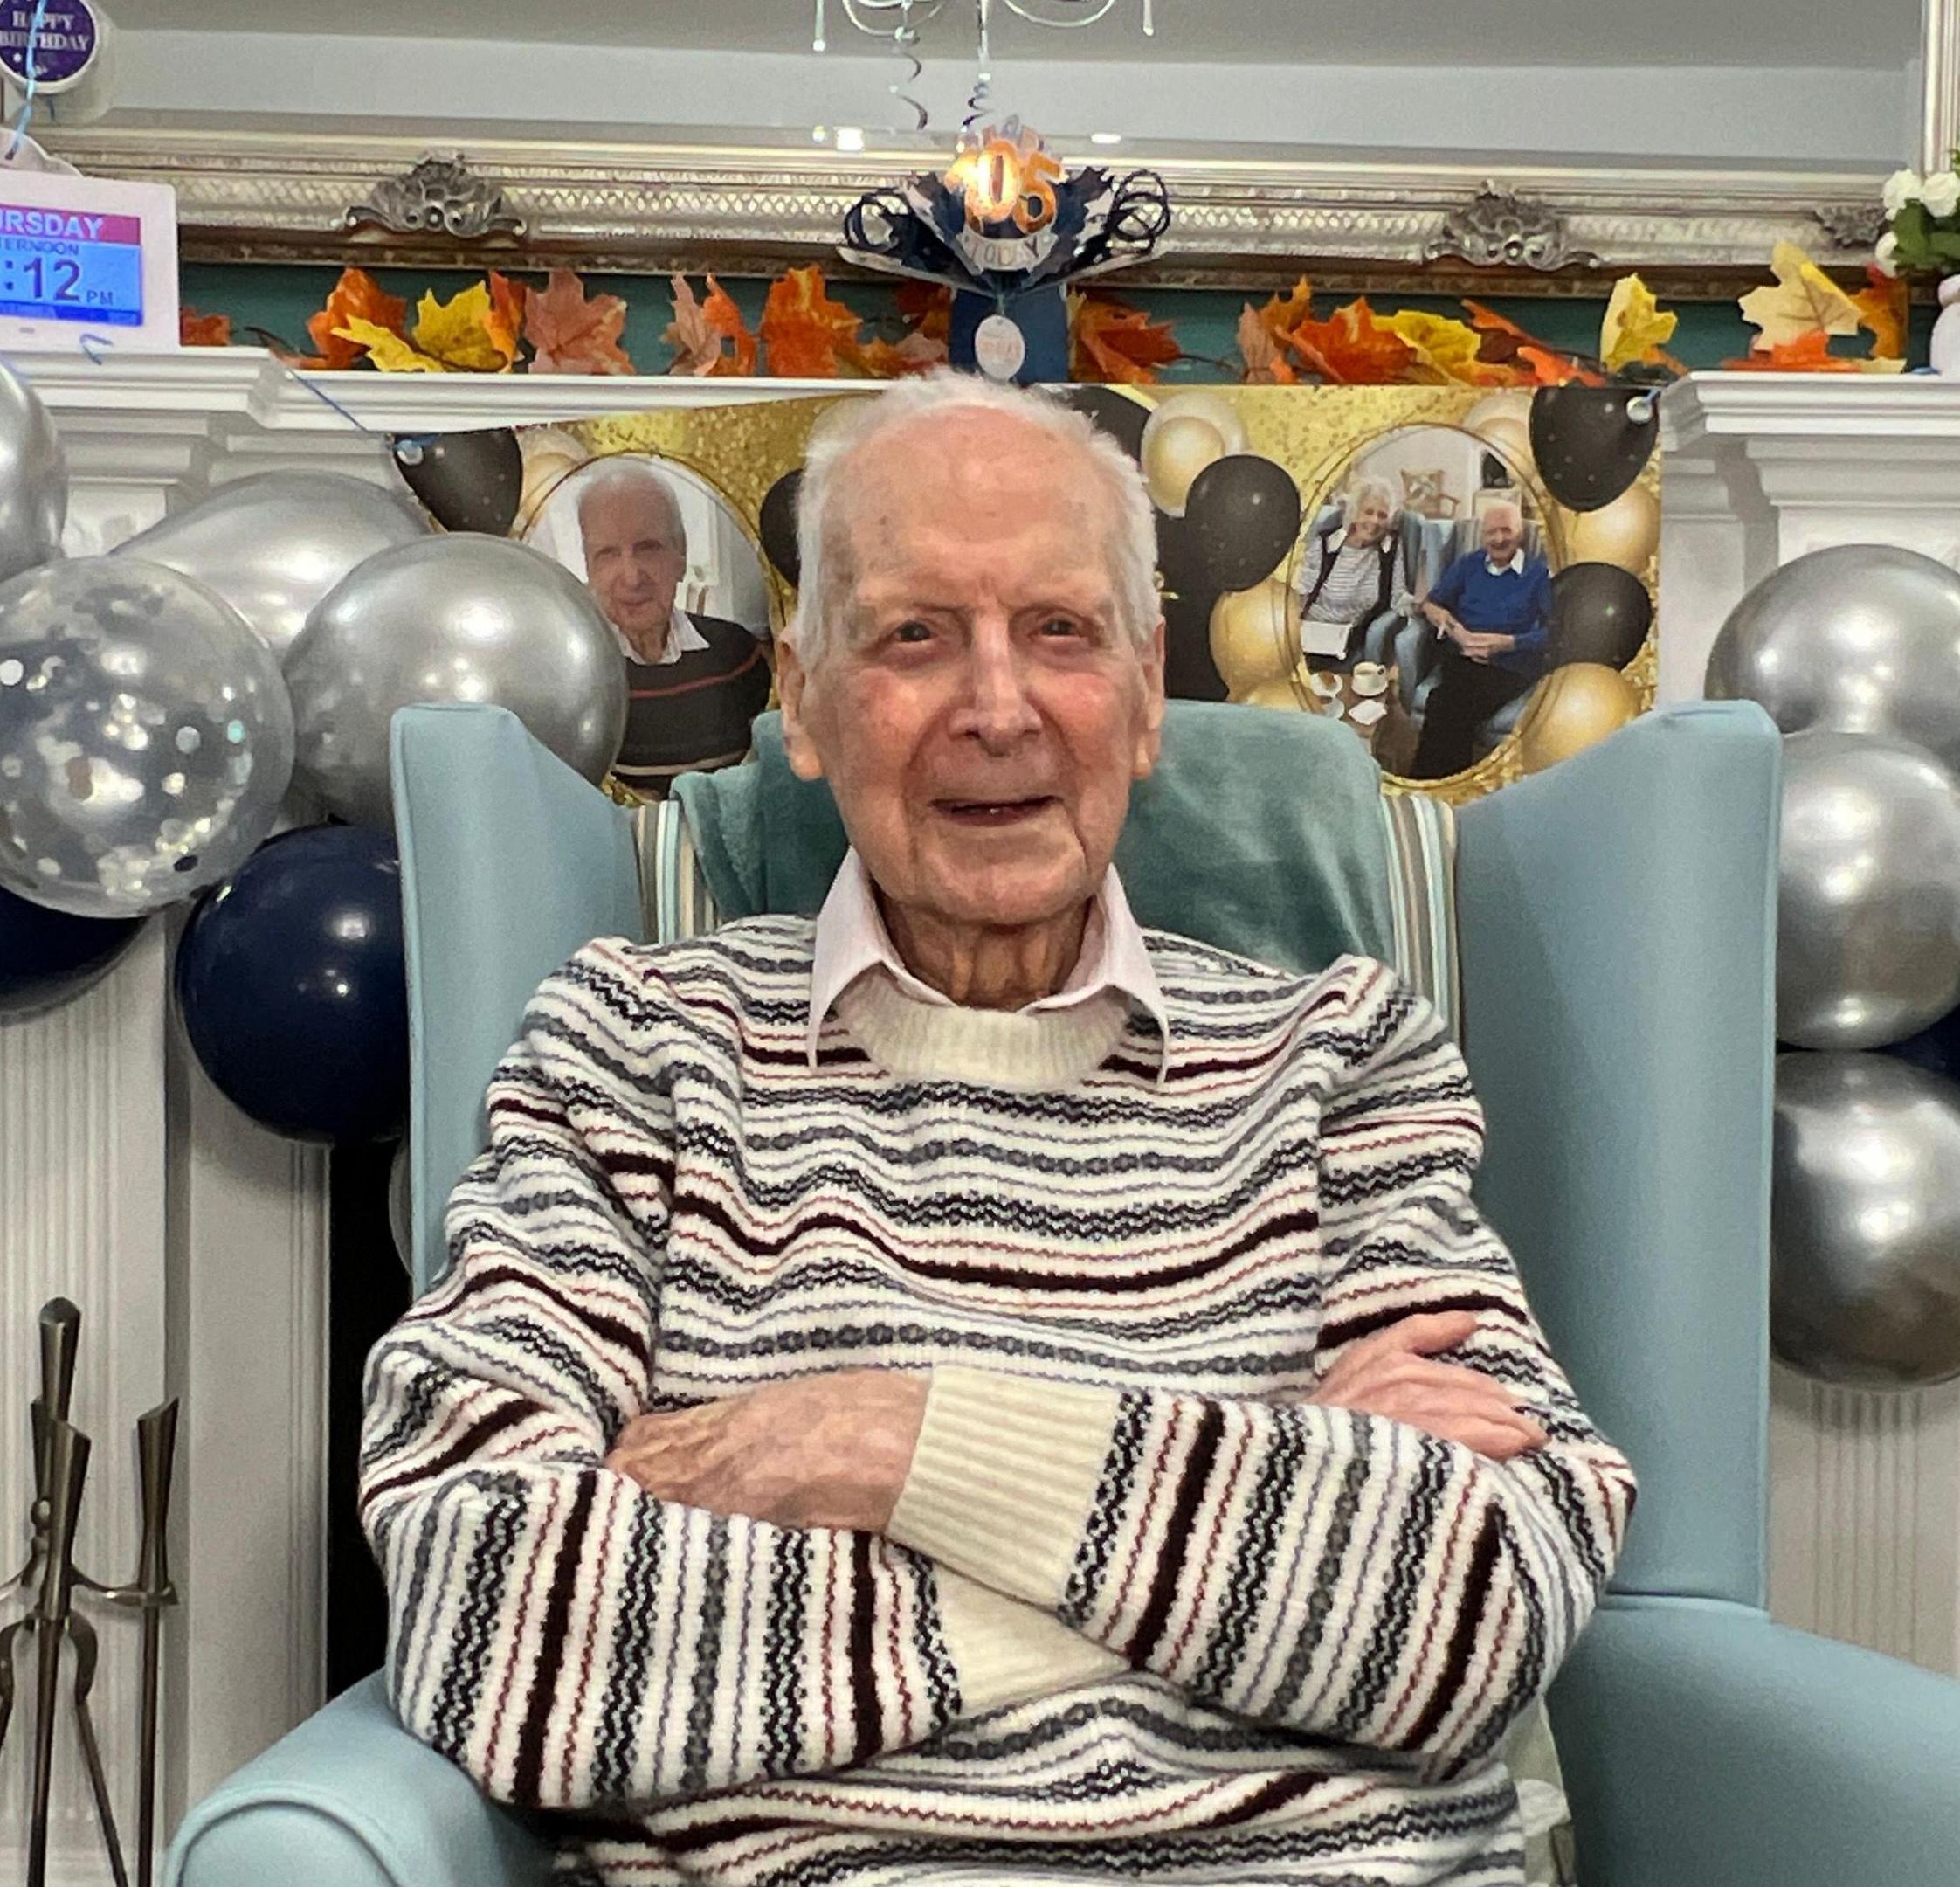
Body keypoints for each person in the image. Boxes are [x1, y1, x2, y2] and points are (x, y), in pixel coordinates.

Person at [363, 376, 1634, 1885]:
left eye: (1060, 631)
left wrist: (881, 1443)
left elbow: (1485, 1600)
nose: (996, 706)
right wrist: (1273, 1512)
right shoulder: (636, 1047)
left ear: (1149, 691)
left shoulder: (1339, 1059)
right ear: (806, 700)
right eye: (912, 635)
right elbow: (491, 1611)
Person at [575, 460, 775, 798]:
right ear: (589, 568)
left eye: (648, 548)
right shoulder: (577, 676)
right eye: (608, 554)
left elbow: (765, 777)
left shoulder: (739, 656)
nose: (632, 577)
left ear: (680, 555)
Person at [1409, 490, 1553, 778]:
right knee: (1447, 704)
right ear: (1482, 535)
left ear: (1520, 532)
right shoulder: (1469, 564)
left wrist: (1508, 643)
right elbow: (1431, 603)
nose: (1498, 539)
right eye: (1491, 532)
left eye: (1506, 530)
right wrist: (1455, 630)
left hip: (1510, 666)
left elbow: (1556, 632)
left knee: (1445, 705)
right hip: (1462, 657)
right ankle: (1450, 787)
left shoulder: (1537, 575)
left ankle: (1430, 784)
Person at [1292, 470, 1418, 674]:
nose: (1375, 521)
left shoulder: (1390, 550)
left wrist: (1420, 605)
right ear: (1355, 513)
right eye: (1368, 512)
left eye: (1382, 515)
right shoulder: (1327, 545)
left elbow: (1398, 595)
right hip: (1310, 635)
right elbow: (1301, 591)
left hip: (1350, 641)